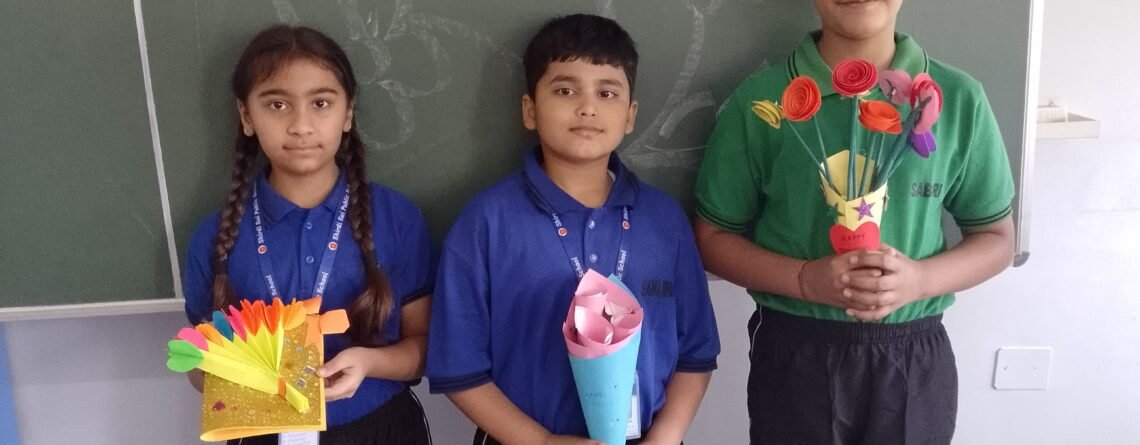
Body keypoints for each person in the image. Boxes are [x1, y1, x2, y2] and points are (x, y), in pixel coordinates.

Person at [694, 1, 1016, 443]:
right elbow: (712, 236)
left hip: (913, 356)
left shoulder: (956, 99)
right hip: (795, 349)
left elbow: (996, 237)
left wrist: (920, 280)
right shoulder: (762, 101)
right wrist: (805, 280)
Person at [426, 14, 720, 445]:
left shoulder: (664, 220)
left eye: (607, 92)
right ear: (530, 110)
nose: (587, 107)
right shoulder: (486, 222)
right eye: (565, 90)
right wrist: (540, 441)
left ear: (630, 116)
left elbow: (695, 353)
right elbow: (459, 368)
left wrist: (667, 436)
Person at [182, 24, 434, 445]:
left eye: (321, 103)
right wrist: (219, 371)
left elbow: (424, 349)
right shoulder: (215, 236)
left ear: (347, 113)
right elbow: (196, 364)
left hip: (380, 430)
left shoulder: (397, 218)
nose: (301, 125)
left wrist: (368, 363)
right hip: (261, 432)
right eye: (277, 104)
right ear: (247, 116)